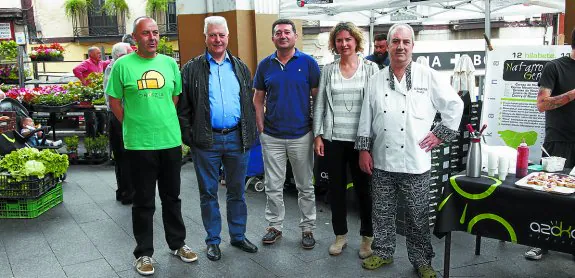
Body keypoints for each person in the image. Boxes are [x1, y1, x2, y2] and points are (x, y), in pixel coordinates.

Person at [355, 23, 463, 278]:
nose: (400, 46)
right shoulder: (375, 79)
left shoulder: (428, 76)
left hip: (416, 162)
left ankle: (422, 260)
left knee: (416, 216)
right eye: (395, 42)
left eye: (405, 42)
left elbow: (454, 105)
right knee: (382, 213)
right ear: (388, 46)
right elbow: (366, 117)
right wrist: (363, 150)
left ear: (413, 46)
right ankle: (382, 251)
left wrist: (440, 134)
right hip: (382, 160)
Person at [106, 16, 197, 276]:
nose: (152, 37)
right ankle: (144, 254)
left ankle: (177, 244)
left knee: (172, 197)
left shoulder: (169, 64)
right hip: (139, 144)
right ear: (135, 38)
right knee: (143, 201)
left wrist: (160, 118)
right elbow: (114, 101)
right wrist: (133, 123)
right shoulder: (123, 66)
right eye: (146, 33)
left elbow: (175, 97)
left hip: (169, 141)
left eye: (156, 32)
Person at [178, 16, 258, 262]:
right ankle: (213, 241)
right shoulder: (192, 68)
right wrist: (191, 138)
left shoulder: (241, 67)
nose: (217, 39)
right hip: (207, 141)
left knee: (237, 192)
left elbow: (249, 102)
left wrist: (251, 132)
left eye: (221, 35)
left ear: (228, 37)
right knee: (208, 194)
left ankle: (238, 235)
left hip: (237, 138)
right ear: (205, 37)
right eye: (212, 35)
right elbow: (183, 109)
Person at [312, 22, 378, 258]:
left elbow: (376, 105)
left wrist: (371, 141)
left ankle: (367, 238)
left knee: (364, 191)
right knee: (336, 191)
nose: (344, 44)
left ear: (356, 41)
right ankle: (340, 235)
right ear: (334, 44)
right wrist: (318, 135)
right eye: (339, 40)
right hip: (333, 139)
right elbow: (319, 104)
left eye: (348, 39)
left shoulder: (371, 69)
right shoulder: (328, 70)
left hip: (362, 142)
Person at [253, 18, 320, 249]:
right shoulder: (265, 65)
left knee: (305, 186)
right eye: (278, 32)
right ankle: (274, 227)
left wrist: (316, 130)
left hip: (302, 135)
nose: (283, 36)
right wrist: (261, 127)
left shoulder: (309, 63)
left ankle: (308, 228)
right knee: (273, 185)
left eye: (287, 32)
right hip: (272, 136)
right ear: (273, 38)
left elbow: (317, 97)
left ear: (295, 36)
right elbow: (258, 98)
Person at [524, 28, 575, 261]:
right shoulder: (554, 67)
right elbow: (542, 104)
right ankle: (539, 242)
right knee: (550, 193)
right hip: (559, 140)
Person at [103, 42, 134, 205]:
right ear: (121, 55)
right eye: (130, 51)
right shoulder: (118, 67)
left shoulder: (112, 66)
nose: (133, 53)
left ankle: (123, 190)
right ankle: (128, 192)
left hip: (116, 116)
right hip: (119, 116)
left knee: (122, 156)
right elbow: (115, 100)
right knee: (125, 155)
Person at [73, 46, 110, 137]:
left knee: (102, 117)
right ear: (91, 55)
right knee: (90, 119)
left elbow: (108, 62)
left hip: (97, 93)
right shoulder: (87, 63)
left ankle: (99, 137)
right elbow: (76, 70)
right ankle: (90, 138)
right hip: (88, 94)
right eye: (98, 53)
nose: (100, 54)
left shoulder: (100, 63)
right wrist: (83, 81)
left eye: (99, 53)